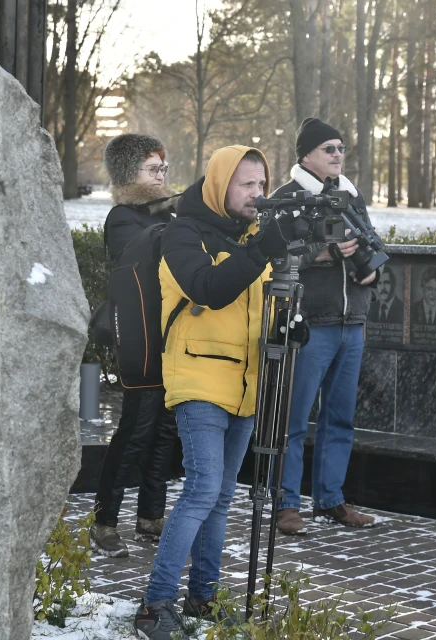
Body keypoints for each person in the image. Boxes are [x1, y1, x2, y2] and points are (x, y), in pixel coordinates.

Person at [133, 146, 290, 640]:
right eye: (247, 184)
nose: (257, 194)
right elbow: (208, 288)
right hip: (198, 378)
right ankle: (154, 606)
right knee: (202, 489)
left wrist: (289, 327)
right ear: (221, 184)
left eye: (262, 185)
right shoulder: (184, 233)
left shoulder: (249, 238)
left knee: (221, 496)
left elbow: (254, 312)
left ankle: (203, 599)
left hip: (245, 385)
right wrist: (262, 250)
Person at [273, 117, 378, 537]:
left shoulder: (350, 195)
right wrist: (323, 253)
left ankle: (331, 500)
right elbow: (275, 258)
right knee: (293, 419)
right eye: (328, 149)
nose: (338, 155)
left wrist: (372, 273)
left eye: (341, 149)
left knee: (340, 419)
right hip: (309, 325)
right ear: (306, 155)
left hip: (352, 323)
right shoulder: (286, 198)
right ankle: (286, 505)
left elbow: (369, 242)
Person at [90, 133, 179, 558]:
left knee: (165, 430)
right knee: (135, 430)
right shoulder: (123, 217)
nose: (161, 174)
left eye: (163, 167)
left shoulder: (170, 214)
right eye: (152, 168)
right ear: (130, 173)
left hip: (171, 334)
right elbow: (138, 256)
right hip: (140, 336)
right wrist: (177, 218)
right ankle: (105, 520)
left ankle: (151, 516)